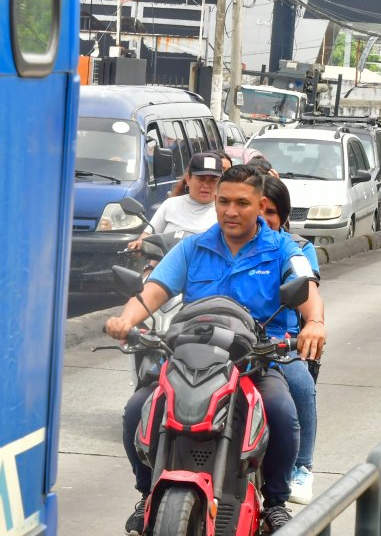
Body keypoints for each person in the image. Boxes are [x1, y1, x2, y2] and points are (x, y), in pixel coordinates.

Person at [107, 165, 327, 533]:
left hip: (256, 357)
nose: (231, 210)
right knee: (136, 410)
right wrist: (126, 320)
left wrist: (315, 323)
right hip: (192, 353)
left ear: (260, 205)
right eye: (223, 201)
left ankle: (274, 501)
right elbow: (155, 289)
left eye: (242, 203)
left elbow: (306, 288)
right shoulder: (193, 247)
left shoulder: (282, 248)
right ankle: (146, 494)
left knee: (282, 411)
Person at [261, 175, 321, 505]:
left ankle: (302, 465)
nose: (261, 218)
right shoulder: (215, 243)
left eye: (270, 211)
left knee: (300, 384)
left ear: (284, 216)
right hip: (221, 339)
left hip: (275, 343)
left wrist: (315, 321)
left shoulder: (294, 249)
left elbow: (306, 285)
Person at [129, 152, 221, 250]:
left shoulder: (224, 211)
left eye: (213, 180)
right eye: (201, 179)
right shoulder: (170, 204)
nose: (206, 185)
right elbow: (147, 236)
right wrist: (139, 244)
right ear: (188, 179)